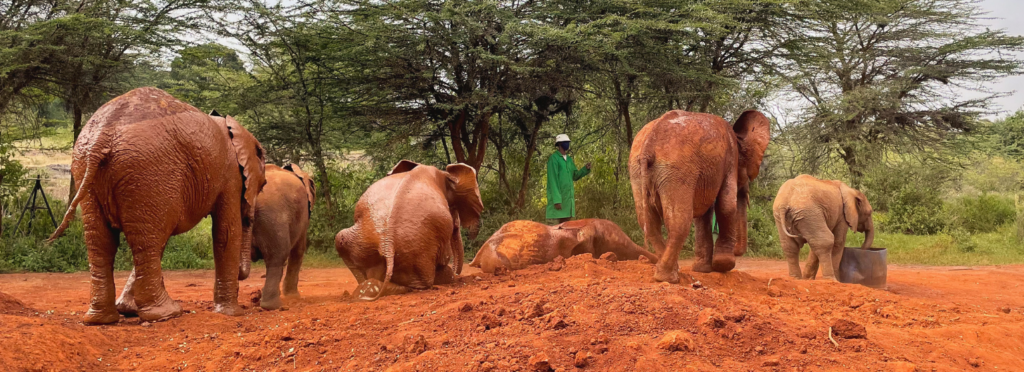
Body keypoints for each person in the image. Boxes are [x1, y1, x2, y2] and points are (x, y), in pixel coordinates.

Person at [546, 134, 591, 223]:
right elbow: (553, 181)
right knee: (554, 232)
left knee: (566, 233)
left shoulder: (569, 160)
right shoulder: (554, 159)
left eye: (568, 142)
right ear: (559, 144)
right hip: (558, 203)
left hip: (567, 204)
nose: (567, 144)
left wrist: (585, 169)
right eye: (565, 142)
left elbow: (574, 175)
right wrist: (557, 200)